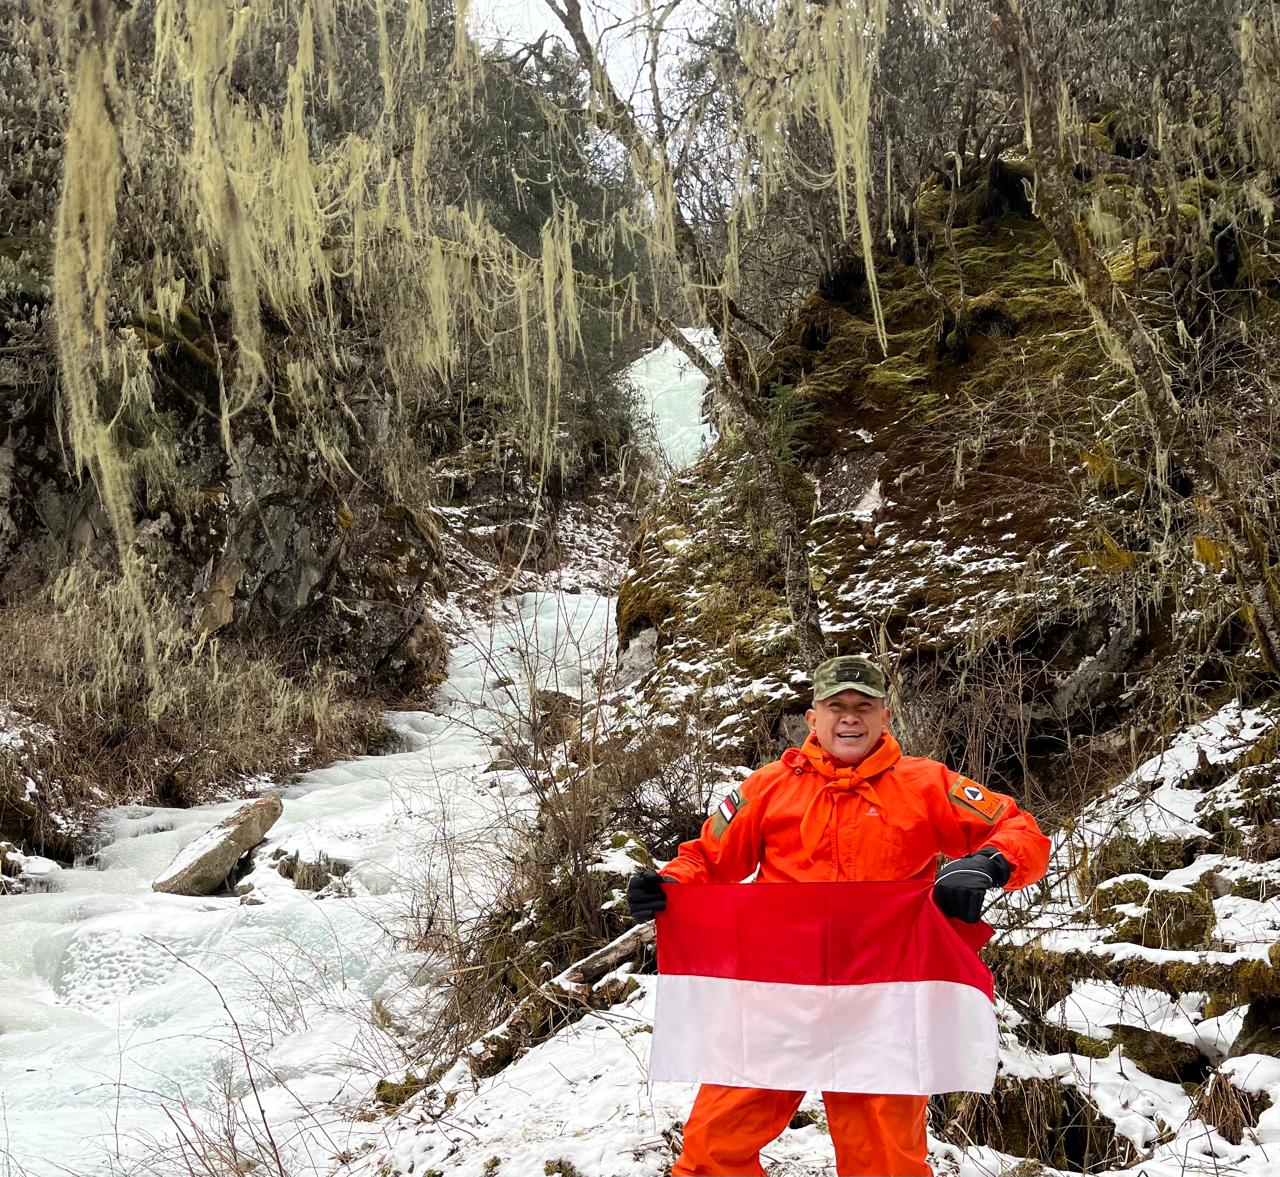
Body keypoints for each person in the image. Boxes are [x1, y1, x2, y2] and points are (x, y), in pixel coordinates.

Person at [628, 654, 1051, 1177]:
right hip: (778, 990)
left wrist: (988, 863)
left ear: (884, 717)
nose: (849, 717)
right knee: (715, 1146)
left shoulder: (926, 784)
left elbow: (1018, 830)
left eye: (863, 706)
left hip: (884, 995)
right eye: (836, 706)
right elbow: (706, 858)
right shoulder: (766, 788)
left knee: (886, 1160)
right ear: (813, 718)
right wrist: (669, 885)